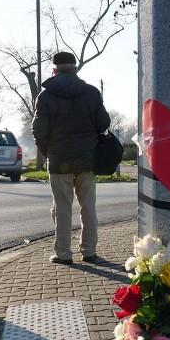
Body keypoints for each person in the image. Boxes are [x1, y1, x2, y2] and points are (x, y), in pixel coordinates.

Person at [32, 51, 111, 265]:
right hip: (87, 159)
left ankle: (64, 254)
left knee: (62, 207)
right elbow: (103, 123)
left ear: (54, 70)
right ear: (75, 68)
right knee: (88, 206)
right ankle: (89, 252)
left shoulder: (45, 96)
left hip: (58, 160)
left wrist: (49, 152)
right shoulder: (91, 93)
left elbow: (38, 130)